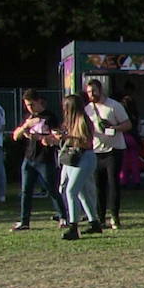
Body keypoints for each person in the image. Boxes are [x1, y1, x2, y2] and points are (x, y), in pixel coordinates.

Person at [9, 90, 66, 231]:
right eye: (27, 105)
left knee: (51, 188)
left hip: (44, 158)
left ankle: (63, 217)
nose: (30, 108)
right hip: (29, 158)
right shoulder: (29, 118)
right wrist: (25, 127)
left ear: (38, 101)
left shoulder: (49, 117)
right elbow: (16, 136)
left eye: (31, 104)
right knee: (26, 190)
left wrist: (40, 138)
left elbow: (56, 137)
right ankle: (24, 221)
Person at [83, 79, 131, 229]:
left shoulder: (114, 106)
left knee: (113, 183)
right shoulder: (87, 109)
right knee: (98, 185)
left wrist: (114, 128)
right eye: (89, 92)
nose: (91, 95)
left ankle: (115, 217)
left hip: (114, 149)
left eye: (94, 91)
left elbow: (128, 124)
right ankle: (100, 218)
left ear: (100, 90)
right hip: (96, 150)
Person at [55, 94, 100, 240]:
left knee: (71, 191)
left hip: (85, 157)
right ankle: (94, 223)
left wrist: (67, 138)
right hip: (76, 158)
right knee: (81, 192)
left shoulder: (82, 121)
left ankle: (73, 227)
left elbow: (86, 142)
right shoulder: (70, 122)